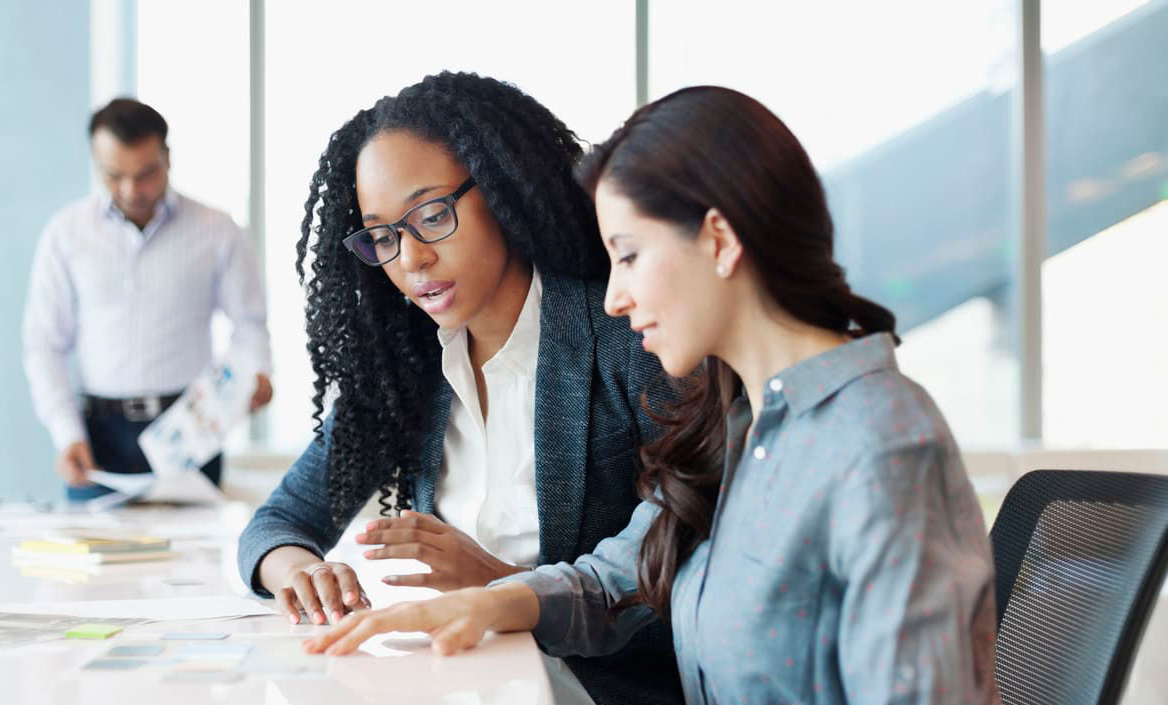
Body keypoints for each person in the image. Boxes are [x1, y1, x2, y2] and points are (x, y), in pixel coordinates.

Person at [303, 86, 1001, 705]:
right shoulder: (743, 424)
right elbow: (616, 579)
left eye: (629, 255)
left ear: (719, 240)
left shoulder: (878, 441)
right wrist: (489, 602)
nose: (614, 296)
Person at [236, 72, 682, 705]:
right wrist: (303, 570)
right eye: (383, 236)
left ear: (501, 190)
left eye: (431, 216)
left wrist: (501, 584)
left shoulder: (628, 335)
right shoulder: (409, 369)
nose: (410, 259)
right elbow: (277, 523)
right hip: (467, 682)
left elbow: (680, 552)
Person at [23, 98, 273, 501]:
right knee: (92, 544)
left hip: (190, 431)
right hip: (97, 436)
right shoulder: (66, 234)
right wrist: (66, 433)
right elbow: (43, 344)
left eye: (145, 174)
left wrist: (256, 371)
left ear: (167, 158)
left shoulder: (217, 230)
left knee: (198, 544)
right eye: (114, 175)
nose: (131, 190)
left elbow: (248, 322)